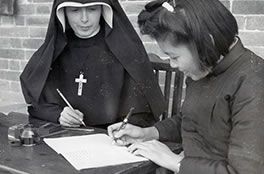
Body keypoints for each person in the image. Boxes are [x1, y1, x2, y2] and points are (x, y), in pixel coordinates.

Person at [108, 0, 264, 173]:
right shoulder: (205, 64)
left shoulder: (254, 83)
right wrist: (148, 133)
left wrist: (177, 163)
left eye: (174, 57)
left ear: (207, 43)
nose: (173, 65)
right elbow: (190, 120)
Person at [20, 0, 166, 128]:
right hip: (65, 138)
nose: (84, 19)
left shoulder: (125, 50)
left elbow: (142, 113)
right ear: (63, 12)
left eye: (92, 9)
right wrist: (58, 115)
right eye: (75, 10)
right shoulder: (55, 51)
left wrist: (125, 128)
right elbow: (36, 104)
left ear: (103, 9)